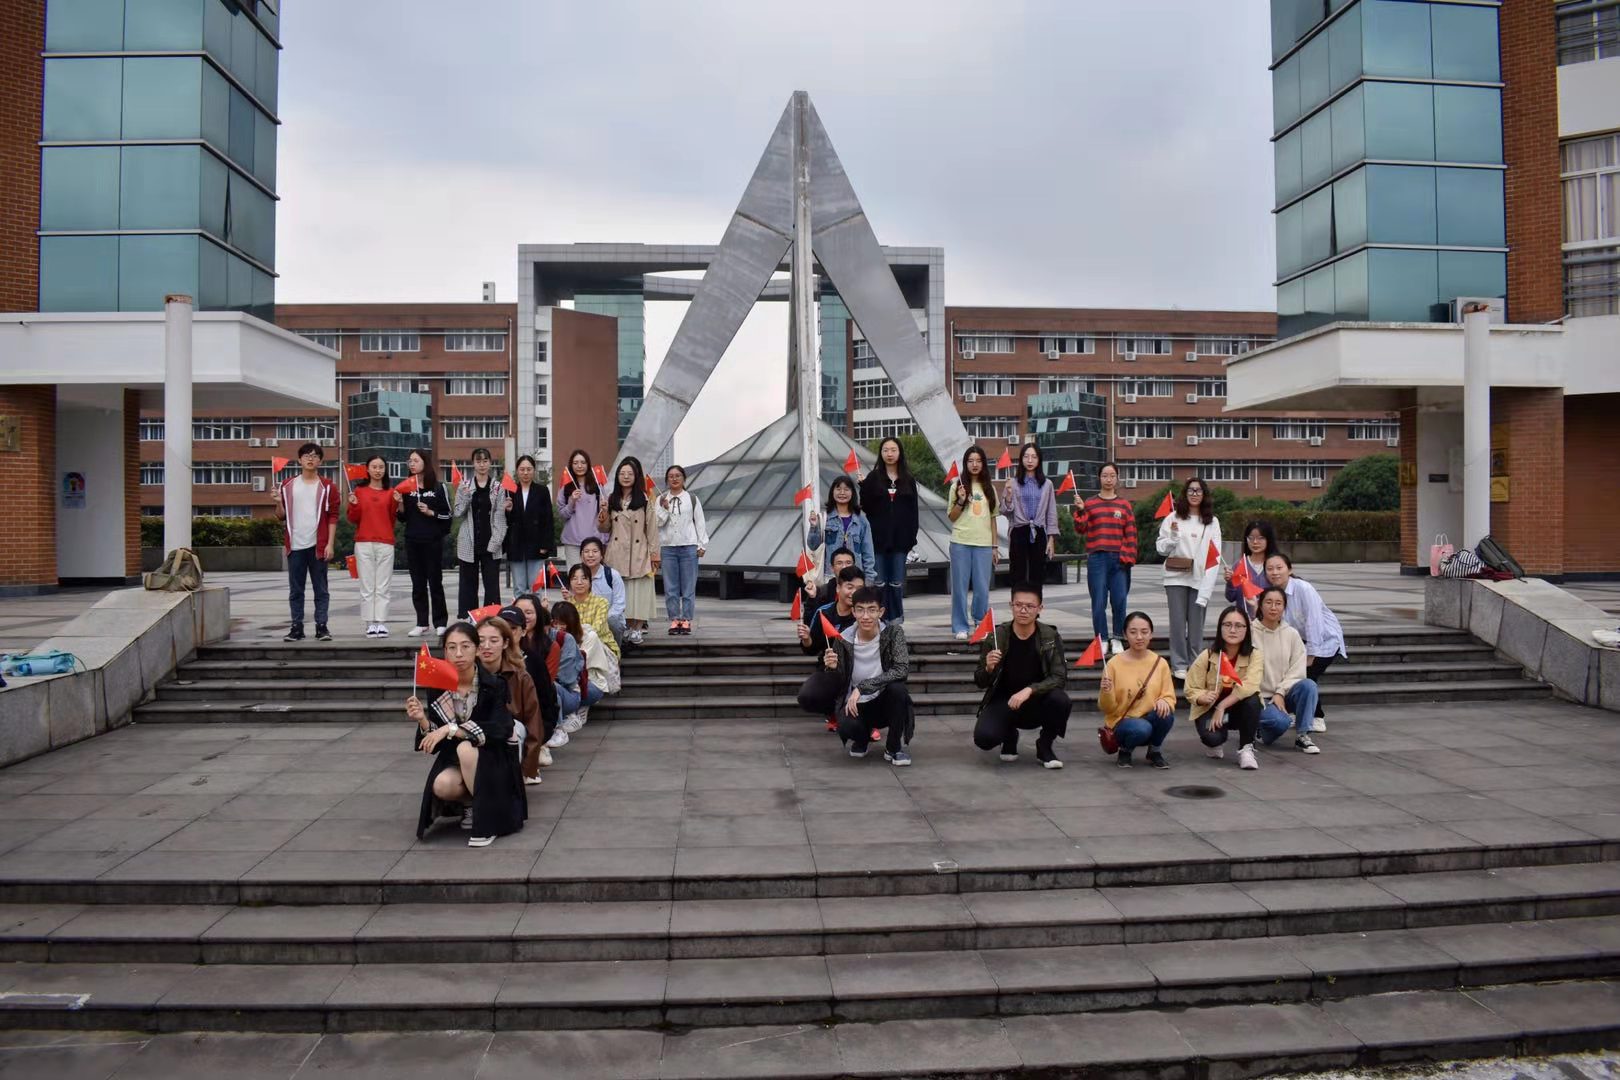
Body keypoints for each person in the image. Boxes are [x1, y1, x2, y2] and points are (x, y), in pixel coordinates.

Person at [406, 622, 527, 847]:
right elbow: (435, 743)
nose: (458, 654)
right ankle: (471, 804)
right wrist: (422, 719)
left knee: (466, 748)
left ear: (477, 649)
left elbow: (500, 728)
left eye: (465, 646)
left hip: (493, 758)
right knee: (442, 784)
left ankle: (487, 821)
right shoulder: (439, 687)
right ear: (445, 651)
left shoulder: (494, 684)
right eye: (451, 647)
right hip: (456, 759)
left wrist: (452, 729)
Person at [971, 581, 1070, 769]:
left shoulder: (1049, 636)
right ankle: (1009, 735)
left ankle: (1045, 745)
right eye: (1018, 605)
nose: (1023, 610)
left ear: (1040, 608)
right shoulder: (998, 635)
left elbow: (1059, 677)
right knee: (984, 738)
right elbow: (979, 681)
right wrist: (989, 668)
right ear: (1011, 605)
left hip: (1038, 700)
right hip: (1004, 700)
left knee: (1060, 700)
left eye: (1030, 606)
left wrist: (1030, 690)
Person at [820, 586, 913, 765]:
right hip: (857, 704)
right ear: (853, 612)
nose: (866, 616)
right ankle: (862, 739)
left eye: (872, 610)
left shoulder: (893, 633)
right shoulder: (843, 639)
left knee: (898, 690)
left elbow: (901, 669)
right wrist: (832, 668)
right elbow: (839, 682)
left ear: (881, 612)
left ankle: (894, 747)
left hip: (884, 701)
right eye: (860, 610)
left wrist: (863, 687)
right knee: (846, 726)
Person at [1264, 553, 1345, 729]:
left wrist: (1311, 654)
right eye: (1270, 569)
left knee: (1306, 676)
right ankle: (1299, 714)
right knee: (1295, 675)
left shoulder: (1303, 588)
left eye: (1279, 568)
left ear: (1289, 569)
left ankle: (1317, 718)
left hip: (1326, 639)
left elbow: (1313, 622)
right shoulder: (1275, 593)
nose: (1275, 572)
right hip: (1303, 641)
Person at [1155, 476, 1223, 679]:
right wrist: (1173, 539)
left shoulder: (1212, 521)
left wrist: (1208, 583)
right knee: (1177, 623)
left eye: (1198, 490)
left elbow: (1215, 554)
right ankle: (1179, 664)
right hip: (1175, 576)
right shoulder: (1173, 518)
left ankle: (1195, 663)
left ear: (1204, 495)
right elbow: (1160, 548)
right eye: (1191, 490)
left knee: (1196, 625)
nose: (1194, 494)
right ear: (1185, 494)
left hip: (1200, 577)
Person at [1186, 604, 1265, 770]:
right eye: (1227, 625)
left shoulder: (1254, 655)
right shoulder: (1208, 655)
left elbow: (1250, 685)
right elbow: (1191, 687)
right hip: (1210, 708)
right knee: (1212, 738)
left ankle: (1246, 749)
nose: (1233, 630)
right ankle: (1215, 743)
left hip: (1237, 709)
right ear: (1220, 628)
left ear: (1247, 630)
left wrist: (1222, 706)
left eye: (1239, 626)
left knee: (1253, 700)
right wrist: (1202, 697)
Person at [275, 441, 339, 642]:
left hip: (318, 545)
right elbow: (281, 516)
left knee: (321, 589)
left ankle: (322, 626)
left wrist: (330, 543)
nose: (310, 459)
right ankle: (297, 627)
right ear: (299, 460)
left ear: (320, 461)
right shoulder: (287, 485)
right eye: (306, 456)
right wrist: (277, 502)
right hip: (295, 545)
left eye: (315, 456)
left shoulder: (327, 486)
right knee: (296, 590)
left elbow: (333, 516)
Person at [1099, 611, 1176, 769]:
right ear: (1125, 635)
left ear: (1151, 634)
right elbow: (1107, 708)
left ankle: (1154, 751)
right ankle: (1125, 750)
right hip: (1123, 722)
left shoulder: (1160, 663)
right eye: (1133, 632)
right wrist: (1106, 692)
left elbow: (1170, 696)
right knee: (1141, 728)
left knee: (1166, 714)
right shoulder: (1113, 664)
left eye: (1144, 632)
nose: (1139, 637)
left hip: (1150, 717)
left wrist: (1164, 701)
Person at [1251, 586, 1321, 755]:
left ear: (1284, 607)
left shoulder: (1291, 634)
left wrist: (1280, 692)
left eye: (1278, 603)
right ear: (1260, 605)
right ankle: (1260, 731)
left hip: (1284, 694)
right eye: (1268, 602)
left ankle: (1303, 735)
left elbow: (1298, 669)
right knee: (1280, 722)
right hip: (1259, 697)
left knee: (1309, 685)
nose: (1273, 607)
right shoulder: (1249, 632)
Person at [477, 612, 544, 788]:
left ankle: (510, 782)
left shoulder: (520, 677)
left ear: (505, 643)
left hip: (510, 735)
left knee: (515, 728)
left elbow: (533, 722)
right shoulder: (467, 674)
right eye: (481, 640)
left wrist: (529, 767)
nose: (486, 646)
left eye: (493, 640)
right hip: (475, 734)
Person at [598, 457, 660, 646]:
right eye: (622, 473)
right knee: (621, 592)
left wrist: (655, 554)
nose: (626, 477)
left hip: (639, 551)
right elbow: (604, 529)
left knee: (639, 592)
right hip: (617, 552)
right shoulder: (611, 499)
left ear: (636, 476)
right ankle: (624, 626)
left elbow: (652, 528)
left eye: (630, 474)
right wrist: (603, 514)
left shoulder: (644, 499)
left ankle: (637, 628)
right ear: (617, 476)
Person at [1077, 462, 1137, 656]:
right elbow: (1081, 529)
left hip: (1119, 559)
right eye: (1105, 475)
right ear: (1099, 478)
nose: (1108, 479)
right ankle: (1101, 638)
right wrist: (1080, 510)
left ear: (1117, 478)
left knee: (1119, 600)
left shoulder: (1124, 505)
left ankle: (1118, 637)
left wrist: (1128, 557)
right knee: (1098, 601)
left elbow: (1131, 534)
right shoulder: (1090, 503)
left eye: (1112, 476)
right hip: (1097, 558)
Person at [858, 437, 920, 623]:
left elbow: (914, 512)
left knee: (896, 582)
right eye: (885, 450)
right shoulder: (873, 477)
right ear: (881, 453)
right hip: (877, 540)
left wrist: (911, 538)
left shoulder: (908, 479)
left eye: (893, 450)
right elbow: (866, 507)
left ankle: (896, 620)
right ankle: (879, 620)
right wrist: (863, 487)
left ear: (900, 453)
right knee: (879, 583)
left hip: (901, 541)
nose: (889, 454)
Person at [796, 564, 865, 724]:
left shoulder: (866, 615)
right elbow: (811, 649)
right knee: (808, 696)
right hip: (830, 670)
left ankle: (868, 721)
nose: (854, 592)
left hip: (861, 671)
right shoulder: (824, 612)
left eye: (859, 588)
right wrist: (807, 639)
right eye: (849, 587)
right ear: (838, 588)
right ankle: (833, 712)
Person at [948, 445, 999, 642]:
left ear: (983, 464)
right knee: (959, 588)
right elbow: (952, 517)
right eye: (970, 461)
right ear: (965, 464)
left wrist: (995, 547)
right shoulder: (957, 486)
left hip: (984, 545)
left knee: (982, 588)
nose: (974, 465)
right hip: (960, 542)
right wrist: (961, 501)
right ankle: (960, 626)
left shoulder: (990, 488)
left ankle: (980, 622)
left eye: (978, 461)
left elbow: (993, 519)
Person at [398, 449, 451, 637]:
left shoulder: (438, 487)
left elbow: (447, 515)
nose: (412, 464)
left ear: (425, 463)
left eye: (416, 460)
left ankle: (440, 622)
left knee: (435, 582)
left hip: (432, 541)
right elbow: (402, 518)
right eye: (410, 461)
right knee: (417, 583)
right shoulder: (406, 487)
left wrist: (430, 512)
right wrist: (400, 504)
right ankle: (421, 622)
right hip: (413, 540)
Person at [346, 454, 397, 638]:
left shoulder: (391, 492)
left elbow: (392, 518)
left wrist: (397, 502)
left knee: (383, 585)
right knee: (367, 586)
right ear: (367, 469)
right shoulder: (359, 491)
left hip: (385, 542)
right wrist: (353, 505)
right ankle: (369, 623)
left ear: (385, 469)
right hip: (363, 542)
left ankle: (381, 623)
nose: (377, 470)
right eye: (374, 467)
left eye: (381, 467)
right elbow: (353, 518)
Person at [453, 447, 507, 618]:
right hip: (469, 543)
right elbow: (458, 513)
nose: (482, 465)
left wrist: (495, 542)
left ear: (490, 463)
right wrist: (466, 497)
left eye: (485, 461)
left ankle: (491, 619)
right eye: (478, 461)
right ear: (473, 464)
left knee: (492, 585)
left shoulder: (498, 487)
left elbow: (500, 517)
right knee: (468, 585)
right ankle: (468, 618)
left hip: (491, 543)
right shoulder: (465, 486)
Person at [655, 464, 708, 635]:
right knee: (670, 586)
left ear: (684, 478)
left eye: (678, 475)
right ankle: (674, 619)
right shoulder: (660, 499)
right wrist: (664, 509)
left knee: (688, 586)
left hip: (688, 547)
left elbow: (699, 522)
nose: (674, 479)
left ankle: (686, 619)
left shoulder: (692, 499)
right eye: (671, 476)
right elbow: (657, 523)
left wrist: (701, 544)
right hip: (668, 547)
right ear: (667, 480)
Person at [509, 595, 558, 768]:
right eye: (519, 611)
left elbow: (547, 685)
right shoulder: (497, 650)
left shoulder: (547, 647)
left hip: (535, 701)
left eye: (529, 612)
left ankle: (539, 743)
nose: (524, 616)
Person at [1001, 443, 1058, 590]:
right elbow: (1005, 511)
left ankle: (1036, 604)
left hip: (1039, 531)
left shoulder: (1047, 484)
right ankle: (1017, 602)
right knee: (1017, 574)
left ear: (1039, 460)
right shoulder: (1013, 483)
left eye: (1034, 457)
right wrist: (1008, 496)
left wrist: (1051, 539)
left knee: (1037, 575)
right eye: (1026, 457)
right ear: (1021, 459)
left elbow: (1051, 512)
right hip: (1019, 530)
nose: (1030, 460)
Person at [543, 600, 596, 750]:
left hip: (570, 691)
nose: (559, 626)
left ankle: (559, 729)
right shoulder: (526, 641)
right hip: (553, 689)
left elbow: (567, 677)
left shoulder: (567, 639)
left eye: (563, 623)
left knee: (548, 686)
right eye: (556, 622)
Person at [503, 454, 554, 596]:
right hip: (516, 545)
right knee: (519, 588)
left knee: (535, 588)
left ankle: (536, 611)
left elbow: (548, 519)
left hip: (536, 545)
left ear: (534, 470)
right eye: (522, 469)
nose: (525, 473)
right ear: (517, 471)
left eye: (529, 469)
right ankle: (519, 610)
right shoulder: (510, 491)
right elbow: (505, 520)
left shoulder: (542, 491)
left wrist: (546, 545)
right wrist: (507, 510)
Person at [808, 476, 876, 581]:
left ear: (852, 493)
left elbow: (868, 552)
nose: (842, 493)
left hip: (855, 577)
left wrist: (869, 578)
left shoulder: (861, 521)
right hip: (830, 576)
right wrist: (813, 526)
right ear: (832, 492)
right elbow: (813, 546)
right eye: (838, 489)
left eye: (846, 489)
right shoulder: (824, 518)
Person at [556, 449, 605, 566]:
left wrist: (605, 508)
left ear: (588, 464)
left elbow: (604, 515)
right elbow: (562, 515)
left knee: (593, 575)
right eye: (575, 463)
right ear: (571, 465)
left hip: (594, 541)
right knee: (575, 574)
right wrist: (572, 501)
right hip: (572, 542)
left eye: (583, 462)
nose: (579, 466)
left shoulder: (597, 486)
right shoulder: (566, 487)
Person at [579, 537, 626, 652]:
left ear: (601, 555)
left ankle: (614, 654)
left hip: (608, 619)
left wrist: (601, 621)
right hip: (585, 620)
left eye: (595, 551)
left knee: (613, 621)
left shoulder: (612, 575)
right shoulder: (577, 576)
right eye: (586, 551)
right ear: (581, 555)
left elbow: (619, 604)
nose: (590, 555)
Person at [1225, 519, 1280, 616]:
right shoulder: (1239, 565)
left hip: (1268, 620)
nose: (1255, 542)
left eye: (1260, 538)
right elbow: (1230, 597)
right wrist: (1230, 582)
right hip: (1244, 620)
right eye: (1251, 538)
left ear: (1268, 540)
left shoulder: (1275, 565)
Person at [565, 562, 619, 660]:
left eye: (584, 578)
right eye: (574, 578)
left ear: (590, 582)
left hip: (602, 647)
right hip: (576, 649)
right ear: (569, 583)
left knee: (592, 636)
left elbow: (596, 630)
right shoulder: (568, 606)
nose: (579, 582)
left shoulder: (601, 602)